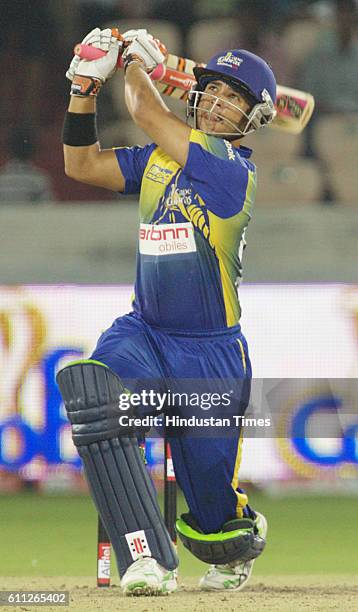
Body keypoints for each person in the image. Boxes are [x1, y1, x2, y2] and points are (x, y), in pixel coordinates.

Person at [58, 27, 277, 596]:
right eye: (214, 89)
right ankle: (146, 558)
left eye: (236, 97)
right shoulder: (158, 160)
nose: (220, 102)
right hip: (145, 331)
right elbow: (82, 166)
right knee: (99, 398)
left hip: (209, 353)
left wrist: (134, 65)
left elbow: (145, 110)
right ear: (195, 93)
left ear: (252, 119)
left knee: (212, 513)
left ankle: (232, 538)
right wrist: (83, 89)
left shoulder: (232, 173)